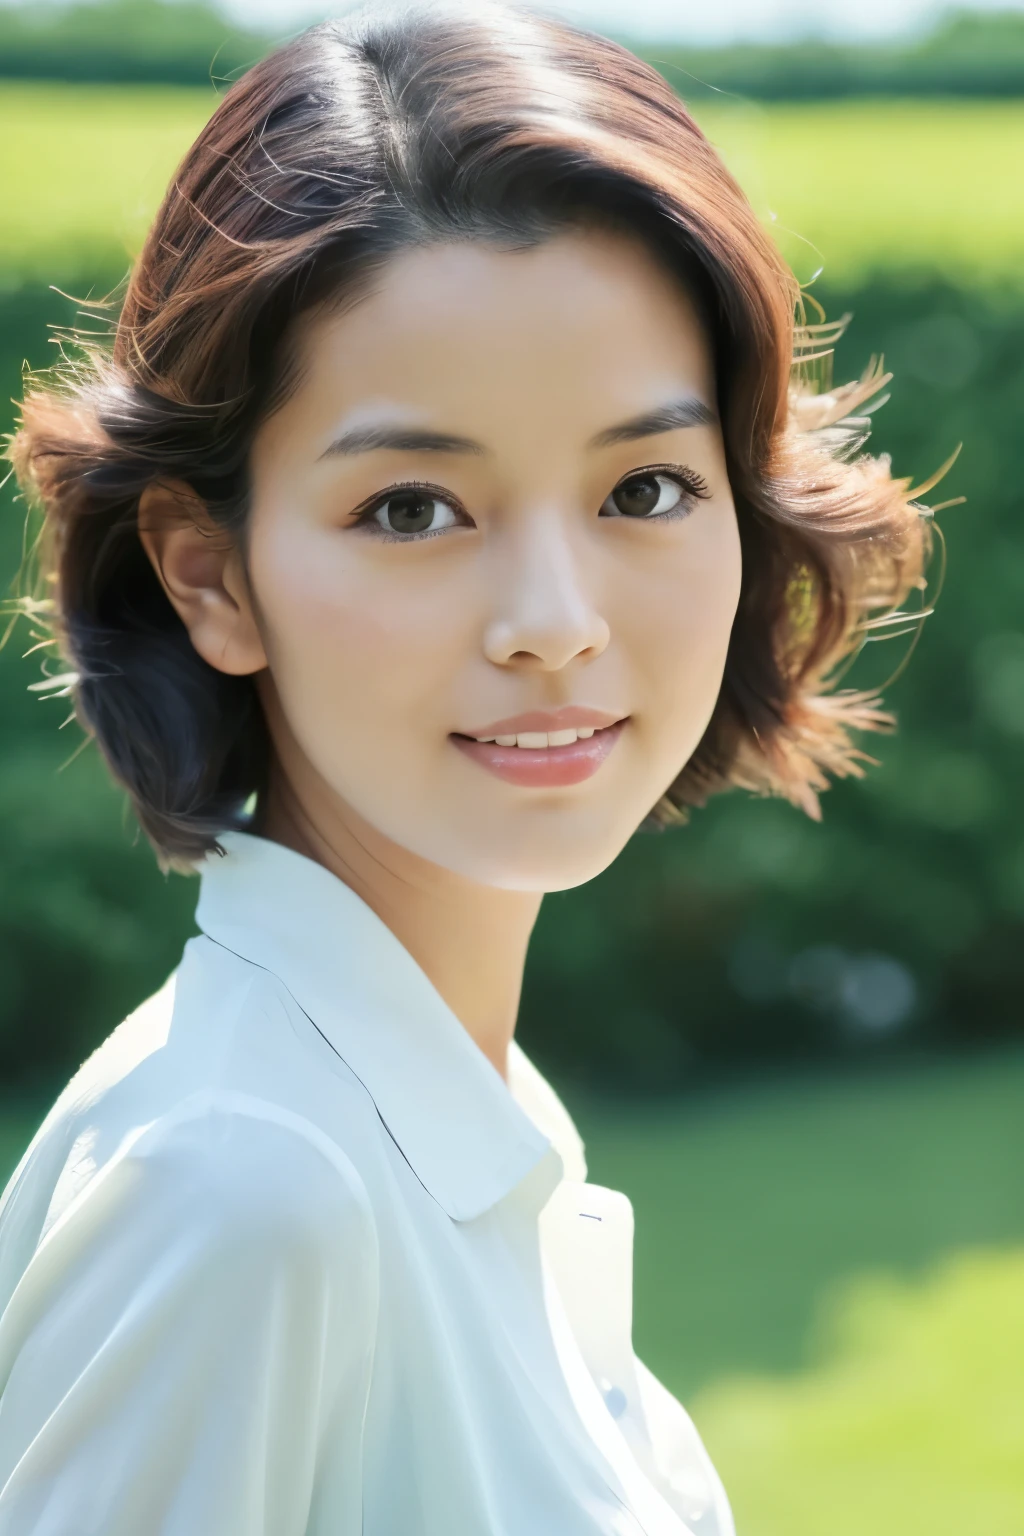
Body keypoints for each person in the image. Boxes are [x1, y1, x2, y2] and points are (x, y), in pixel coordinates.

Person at [0, 3, 933, 1531]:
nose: (556, 625)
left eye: (643, 486)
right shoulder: (244, 1194)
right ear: (209, 577)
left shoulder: (452, 1121)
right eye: (414, 509)